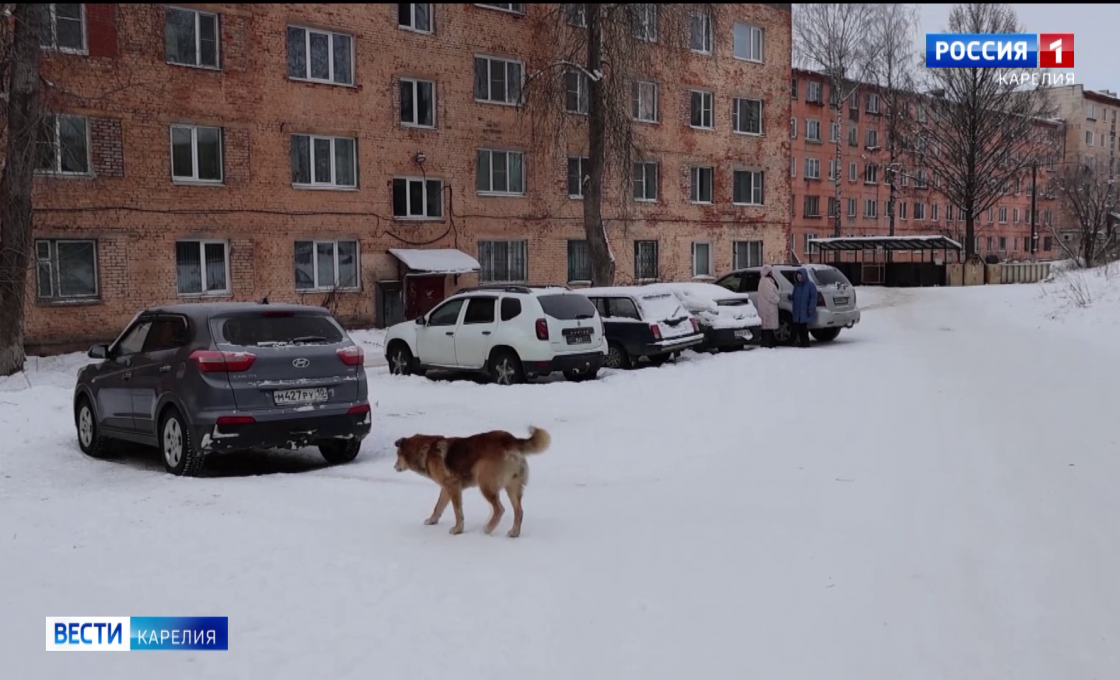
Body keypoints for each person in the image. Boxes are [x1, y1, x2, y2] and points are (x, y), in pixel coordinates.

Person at [790, 267, 818, 348]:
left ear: (804, 276)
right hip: (797, 312)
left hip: (804, 311)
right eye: (798, 276)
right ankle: (801, 343)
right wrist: (790, 297)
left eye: (800, 276)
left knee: (803, 329)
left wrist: (811, 308)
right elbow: (794, 296)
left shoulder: (810, 285)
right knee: (798, 328)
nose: (799, 278)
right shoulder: (796, 286)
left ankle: (805, 343)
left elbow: (813, 298)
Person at [756, 265, 781, 348]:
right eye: (770, 272)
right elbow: (770, 295)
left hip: (767, 307)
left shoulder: (765, 281)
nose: (771, 273)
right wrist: (777, 299)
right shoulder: (765, 282)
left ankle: (768, 343)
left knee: (767, 328)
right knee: (768, 327)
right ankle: (768, 344)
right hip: (768, 308)